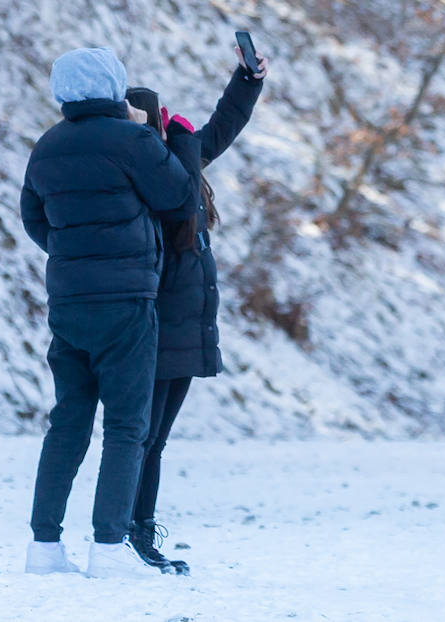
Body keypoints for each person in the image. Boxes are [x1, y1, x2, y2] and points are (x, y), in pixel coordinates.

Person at [20, 45, 200, 579]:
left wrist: (74, 253)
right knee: (127, 426)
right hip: (125, 303)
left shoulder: (46, 146)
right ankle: (110, 550)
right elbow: (181, 198)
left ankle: (44, 549)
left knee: (68, 423)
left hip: (68, 301)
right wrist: (172, 138)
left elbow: (34, 219)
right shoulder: (133, 139)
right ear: (113, 87)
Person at [124, 41, 269, 572]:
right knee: (138, 438)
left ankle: (138, 528)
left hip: (188, 322)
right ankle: (124, 531)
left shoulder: (179, 158)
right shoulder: (134, 175)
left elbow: (223, 125)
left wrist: (247, 80)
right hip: (154, 321)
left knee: (154, 440)